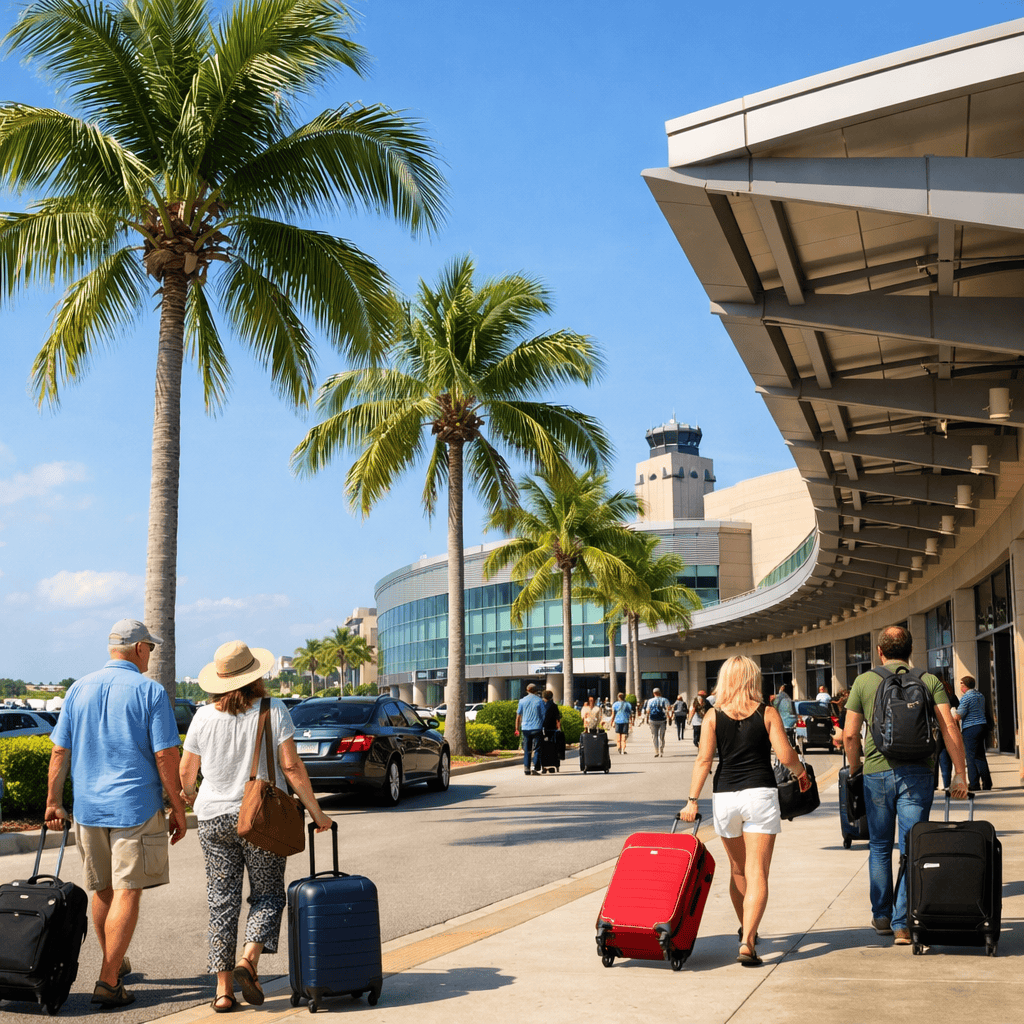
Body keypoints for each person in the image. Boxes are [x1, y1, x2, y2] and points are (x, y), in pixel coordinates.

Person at [180, 641, 333, 1011]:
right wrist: (317, 812)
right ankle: (248, 961)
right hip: (260, 817)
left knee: (221, 901)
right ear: (255, 677)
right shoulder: (273, 709)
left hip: (214, 819)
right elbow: (292, 768)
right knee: (268, 894)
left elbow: (186, 772)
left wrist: (190, 796)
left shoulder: (202, 716)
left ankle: (222, 992)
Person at [45, 619, 188, 1008]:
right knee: (128, 890)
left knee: (102, 890)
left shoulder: (77, 689)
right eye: (151, 649)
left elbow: (60, 751)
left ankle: (114, 962)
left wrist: (53, 803)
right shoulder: (150, 691)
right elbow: (165, 754)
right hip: (134, 808)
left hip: (89, 810)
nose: (152, 655)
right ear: (140, 649)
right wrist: (178, 807)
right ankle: (108, 981)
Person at [842, 625, 969, 946]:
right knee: (913, 847)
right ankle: (902, 923)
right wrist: (960, 773)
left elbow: (849, 735)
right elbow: (950, 728)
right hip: (920, 772)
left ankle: (882, 916)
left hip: (876, 773)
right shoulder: (928, 682)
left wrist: (856, 768)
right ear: (910, 650)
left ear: (880, 652)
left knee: (880, 847)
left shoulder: (865, 681)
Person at [680, 657, 809, 967]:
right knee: (757, 872)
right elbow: (784, 754)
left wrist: (692, 800)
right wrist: (800, 771)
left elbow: (703, 761)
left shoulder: (712, 715)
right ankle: (748, 940)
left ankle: (745, 930)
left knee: (738, 870)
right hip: (760, 795)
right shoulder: (768, 712)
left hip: (725, 798)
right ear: (753, 679)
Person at [952, 675, 993, 791]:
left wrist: (954, 717)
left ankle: (974, 783)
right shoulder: (980, 695)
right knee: (980, 755)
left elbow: (958, 715)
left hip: (970, 728)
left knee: (971, 757)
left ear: (965, 686)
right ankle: (987, 783)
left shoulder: (966, 698)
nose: (960, 687)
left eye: (961, 684)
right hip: (982, 726)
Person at [515, 682, 546, 776]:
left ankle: (526, 768)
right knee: (537, 748)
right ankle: (535, 767)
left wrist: (517, 728)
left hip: (525, 728)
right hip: (537, 727)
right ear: (536, 690)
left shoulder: (522, 701)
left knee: (527, 749)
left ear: (527, 690)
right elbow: (544, 715)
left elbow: (518, 716)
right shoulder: (540, 701)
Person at [540, 689, 562, 773]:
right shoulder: (554, 706)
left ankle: (543, 766)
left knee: (543, 748)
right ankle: (555, 764)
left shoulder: (540, 705)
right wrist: (558, 728)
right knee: (553, 747)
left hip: (542, 729)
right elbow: (558, 719)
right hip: (552, 729)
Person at [647, 687, 670, 756]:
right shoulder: (665, 700)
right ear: (660, 693)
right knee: (662, 736)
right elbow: (668, 709)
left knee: (654, 736)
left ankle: (656, 751)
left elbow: (648, 711)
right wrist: (669, 717)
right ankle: (661, 750)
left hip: (653, 720)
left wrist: (646, 719)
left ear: (654, 693)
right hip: (662, 720)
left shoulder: (650, 701)